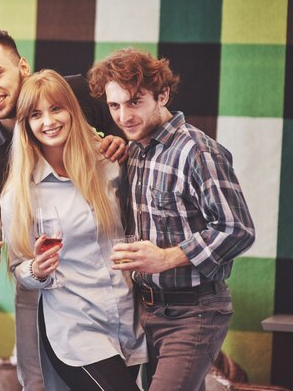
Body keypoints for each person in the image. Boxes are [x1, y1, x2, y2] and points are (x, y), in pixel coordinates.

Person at [0, 29, 127, 390]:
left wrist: (121, 141)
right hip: (58, 309)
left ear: (22, 66)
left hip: (120, 302)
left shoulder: (78, 92)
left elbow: (131, 128)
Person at [87, 48, 256, 391]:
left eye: (134, 102)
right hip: (144, 311)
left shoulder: (198, 151)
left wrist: (166, 258)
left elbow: (238, 230)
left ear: (161, 95)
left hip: (195, 313)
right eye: (114, 105)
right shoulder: (134, 151)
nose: (124, 116)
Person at [0, 69, 147, 391]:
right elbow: (18, 268)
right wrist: (36, 269)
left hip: (124, 319)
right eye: (36, 114)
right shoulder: (21, 194)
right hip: (75, 330)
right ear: (26, 125)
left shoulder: (108, 164)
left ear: (72, 111)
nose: (48, 121)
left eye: (56, 109)